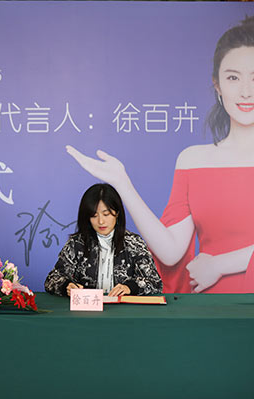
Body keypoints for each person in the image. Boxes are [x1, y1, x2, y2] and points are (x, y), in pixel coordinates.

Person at [66, 16, 254, 293]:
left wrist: (220, 264)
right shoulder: (194, 161)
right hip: (209, 306)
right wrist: (122, 183)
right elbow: (170, 252)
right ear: (217, 85)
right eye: (233, 78)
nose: (246, 92)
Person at [44, 183, 162, 297]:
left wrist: (130, 287)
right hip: (87, 308)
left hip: (124, 308)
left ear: (117, 213)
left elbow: (155, 282)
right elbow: (52, 279)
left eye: (106, 214)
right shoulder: (77, 243)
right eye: (94, 216)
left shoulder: (134, 243)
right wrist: (66, 286)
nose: (101, 221)